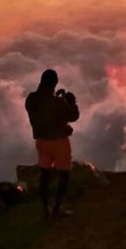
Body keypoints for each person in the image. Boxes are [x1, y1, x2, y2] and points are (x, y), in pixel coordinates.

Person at [25, 69, 79, 217]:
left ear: (41, 81)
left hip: (41, 141)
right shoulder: (57, 102)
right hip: (59, 142)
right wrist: (71, 102)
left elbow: (44, 114)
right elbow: (73, 116)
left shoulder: (31, 99)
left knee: (44, 176)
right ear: (54, 83)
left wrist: (58, 100)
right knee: (64, 175)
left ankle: (45, 209)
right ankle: (56, 209)